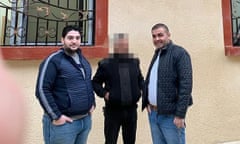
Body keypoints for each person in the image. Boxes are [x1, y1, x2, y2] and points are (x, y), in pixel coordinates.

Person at [35, 25, 95, 144]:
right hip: (64, 125)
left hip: (84, 121)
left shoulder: (83, 59)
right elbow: (42, 89)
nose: (74, 41)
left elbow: (87, 82)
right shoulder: (53, 60)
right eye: (70, 38)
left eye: (77, 38)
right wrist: (56, 116)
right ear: (62, 40)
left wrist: (92, 103)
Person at [142, 23, 193, 144]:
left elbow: (186, 86)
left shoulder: (179, 54)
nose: (157, 39)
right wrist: (147, 102)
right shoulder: (158, 54)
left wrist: (180, 115)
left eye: (160, 35)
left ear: (168, 35)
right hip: (154, 114)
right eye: (154, 36)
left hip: (171, 117)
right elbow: (152, 81)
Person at [92, 33, 144, 144]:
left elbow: (140, 79)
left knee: (130, 141)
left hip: (131, 110)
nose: (122, 47)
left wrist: (141, 91)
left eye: (124, 44)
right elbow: (95, 82)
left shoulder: (134, 62)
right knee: (110, 141)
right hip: (113, 111)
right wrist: (104, 93)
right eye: (119, 44)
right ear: (114, 46)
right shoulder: (105, 63)